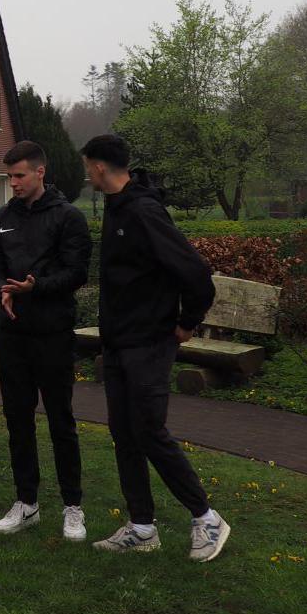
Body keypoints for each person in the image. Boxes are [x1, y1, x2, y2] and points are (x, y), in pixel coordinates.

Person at [81, 134, 230, 561]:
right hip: (120, 344)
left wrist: (186, 323)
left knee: (149, 432)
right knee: (125, 434)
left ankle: (206, 518)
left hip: (148, 343)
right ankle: (142, 527)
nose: (86, 172)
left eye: (87, 165)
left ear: (99, 167)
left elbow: (196, 274)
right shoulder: (117, 208)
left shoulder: (144, 211)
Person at [0, 140, 92, 541]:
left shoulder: (68, 218)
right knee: (18, 420)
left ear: (40, 172)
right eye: (9, 176)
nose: (13, 183)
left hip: (53, 335)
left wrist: (37, 287)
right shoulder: (0, 218)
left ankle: (72, 507)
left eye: (19, 176)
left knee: (61, 422)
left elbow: (77, 273)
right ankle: (26, 503)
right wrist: (2, 290)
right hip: (12, 337)